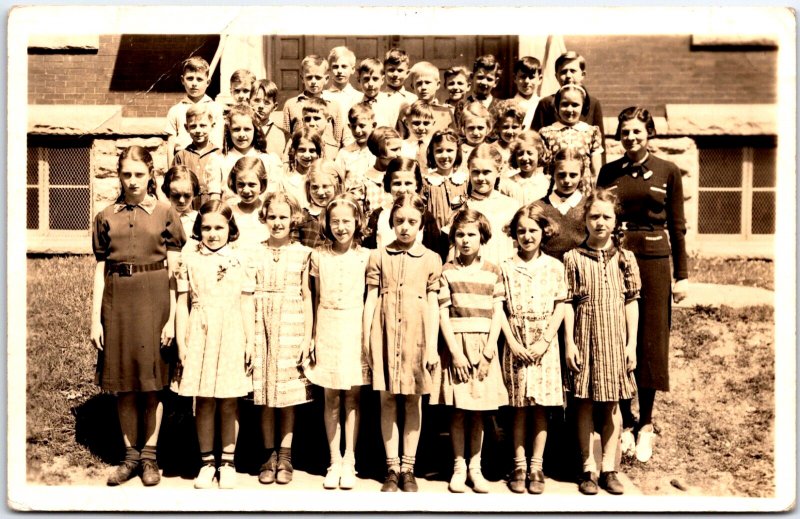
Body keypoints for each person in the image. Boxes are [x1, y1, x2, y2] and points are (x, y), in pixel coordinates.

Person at [597, 106, 689, 463]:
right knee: (619, 336)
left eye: (637, 132)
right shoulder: (609, 172)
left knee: (650, 340)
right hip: (618, 257)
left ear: (649, 133)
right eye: (625, 133)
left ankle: (646, 424)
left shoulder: (669, 170)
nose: (631, 138)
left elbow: (677, 226)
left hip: (654, 261)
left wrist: (682, 275)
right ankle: (624, 418)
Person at [91, 145, 186, 487]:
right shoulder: (105, 216)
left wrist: (173, 318)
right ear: (119, 175)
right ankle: (129, 457)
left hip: (155, 300)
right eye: (126, 174)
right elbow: (100, 270)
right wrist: (95, 319)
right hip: (118, 302)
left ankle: (150, 457)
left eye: (139, 174)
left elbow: (177, 274)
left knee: (152, 386)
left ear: (150, 175)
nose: (132, 181)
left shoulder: (165, 214)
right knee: (125, 386)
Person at [563, 188, 641, 496]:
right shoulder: (572, 258)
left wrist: (631, 343)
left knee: (611, 405)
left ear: (615, 220)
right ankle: (588, 468)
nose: (600, 222)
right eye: (594, 216)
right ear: (585, 219)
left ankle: (610, 468)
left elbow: (631, 302)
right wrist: (569, 342)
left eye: (607, 216)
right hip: (584, 336)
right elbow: (567, 302)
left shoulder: (625, 258)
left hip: (614, 340)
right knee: (583, 403)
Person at [363, 193, 442, 492]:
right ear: (391, 222)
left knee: (412, 400)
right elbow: (372, 299)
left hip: (417, 338)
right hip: (384, 333)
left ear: (421, 224)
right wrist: (367, 339)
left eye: (412, 222)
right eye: (399, 221)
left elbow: (433, 304)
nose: (405, 227)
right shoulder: (379, 256)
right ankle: (391, 467)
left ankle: (408, 467)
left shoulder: (431, 259)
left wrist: (432, 346)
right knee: (386, 399)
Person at [174, 201, 254, 489]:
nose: (212, 233)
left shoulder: (240, 258)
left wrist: (250, 341)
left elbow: (246, 302)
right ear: (198, 230)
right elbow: (182, 304)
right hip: (201, 330)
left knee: (229, 401)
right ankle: (207, 462)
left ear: (230, 229)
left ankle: (229, 462)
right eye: (206, 227)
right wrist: (182, 341)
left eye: (219, 227)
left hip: (232, 330)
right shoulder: (190, 259)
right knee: (204, 400)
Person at [431, 208, 508, 494]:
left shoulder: (493, 271)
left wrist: (489, 352)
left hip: (483, 346)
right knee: (458, 410)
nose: (465, 240)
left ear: (483, 237)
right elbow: (442, 313)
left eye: (471, 235)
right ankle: (458, 466)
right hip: (457, 346)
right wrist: (455, 352)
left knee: (479, 411)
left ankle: (476, 468)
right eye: (460, 235)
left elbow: (498, 312)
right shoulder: (447, 271)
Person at [304, 194, 371, 490]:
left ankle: (350, 460)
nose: (341, 227)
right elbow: (315, 298)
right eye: (335, 222)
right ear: (326, 223)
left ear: (357, 222)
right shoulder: (319, 255)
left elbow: (371, 299)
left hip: (355, 326)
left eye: (346, 221)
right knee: (331, 397)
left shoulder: (366, 255)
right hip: (328, 325)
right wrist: (313, 335)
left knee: (353, 397)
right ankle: (333, 459)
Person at [499, 204, 566, 494]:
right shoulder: (505, 267)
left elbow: (560, 305)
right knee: (518, 407)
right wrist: (512, 343)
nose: (527, 236)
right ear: (514, 234)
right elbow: (498, 308)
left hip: (544, 344)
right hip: (516, 341)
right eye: (521, 231)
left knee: (539, 406)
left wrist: (545, 340)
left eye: (533, 230)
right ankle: (518, 464)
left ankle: (536, 465)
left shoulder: (554, 266)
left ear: (544, 232)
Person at [252, 191, 314, 486]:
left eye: (283, 217)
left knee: (287, 396)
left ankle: (286, 455)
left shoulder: (303, 253)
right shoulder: (255, 251)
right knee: (265, 395)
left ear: (294, 219)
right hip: (259, 324)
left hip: (292, 324)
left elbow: (307, 295)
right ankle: (267, 454)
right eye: (272, 217)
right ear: (264, 218)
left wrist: (307, 337)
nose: (278, 222)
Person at [361, 157, 446, 260]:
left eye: (408, 183)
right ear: (389, 184)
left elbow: (435, 255)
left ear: (417, 184)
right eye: (397, 184)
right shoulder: (379, 215)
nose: (402, 189)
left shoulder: (426, 217)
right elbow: (369, 253)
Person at [464, 144, 521, 266]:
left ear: (499, 171)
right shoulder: (463, 205)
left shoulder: (512, 206)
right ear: (468, 170)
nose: (480, 178)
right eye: (475, 172)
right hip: (474, 272)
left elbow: (518, 245)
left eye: (486, 172)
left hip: (505, 269)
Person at [539, 84, 603, 190]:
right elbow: (541, 166)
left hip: (583, 186)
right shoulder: (546, 132)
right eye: (565, 104)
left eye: (575, 105)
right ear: (557, 106)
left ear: (583, 106)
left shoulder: (591, 132)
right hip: (554, 185)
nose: (569, 109)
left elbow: (596, 169)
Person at [530, 51, 605, 140]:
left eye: (573, 71)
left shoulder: (593, 103)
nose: (568, 75)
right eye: (563, 72)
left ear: (583, 74)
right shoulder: (546, 103)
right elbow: (534, 140)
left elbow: (600, 144)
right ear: (556, 76)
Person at [165, 56, 225, 163]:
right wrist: (170, 171)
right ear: (182, 80)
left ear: (208, 82)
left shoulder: (215, 108)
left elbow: (218, 141)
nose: (194, 83)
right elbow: (171, 145)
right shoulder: (175, 110)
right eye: (190, 78)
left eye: (199, 79)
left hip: (210, 160)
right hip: (183, 160)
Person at [538, 146, 589, 261]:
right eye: (561, 175)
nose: (567, 180)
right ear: (552, 173)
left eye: (573, 175)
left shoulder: (590, 206)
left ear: (581, 175)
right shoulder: (539, 207)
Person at [221, 104, 281, 200]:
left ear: (255, 130)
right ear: (229, 131)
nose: (241, 134)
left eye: (247, 129)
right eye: (236, 129)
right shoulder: (221, 160)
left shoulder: (268, 160)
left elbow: (273, 196)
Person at [172, 103, 224, 209]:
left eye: (203, 125)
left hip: (212, 204)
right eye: (193, 126)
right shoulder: (181, 156)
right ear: (186, 128)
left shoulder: (218, 154)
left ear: (212, 125)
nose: (198, 130)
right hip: (188, 206)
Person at [283, 55, 343, 142]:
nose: (313, 81)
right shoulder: (291, 104)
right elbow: (287, 136)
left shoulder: (333, 105)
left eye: (318, 77)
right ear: (302, 78)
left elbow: (337, 138)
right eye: (309, 77)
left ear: (326, 79)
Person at [422, 128, 468, 230]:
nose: (444, 155)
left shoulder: (464, 180)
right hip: (434, 237)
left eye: (449, 150)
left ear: (457, 151)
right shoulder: (426, 182)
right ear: (432, 153)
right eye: (439, 151)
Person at [226, 156, 271, 259]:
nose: (246, 190)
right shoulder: (230, 213)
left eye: (252, 185)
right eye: (241, 184)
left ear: (262, 185)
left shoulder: (268, 211)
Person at [294, 159, 343, 248]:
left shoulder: (346, 214)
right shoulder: (301, 216)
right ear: (308, 187)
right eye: (315, 187)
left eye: (325, 186)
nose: (320, 192)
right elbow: (294, 247)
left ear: (336, 186)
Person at [398, 61, 453, 137]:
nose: (423, 87)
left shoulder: (446, 112)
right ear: (412, 86)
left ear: (437, 85)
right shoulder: (407, 112)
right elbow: (400, 139)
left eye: (427, 82)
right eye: (419, 83)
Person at [323, 46, 362, 146]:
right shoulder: (323, 97)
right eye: (335, 67)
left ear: (353, 69)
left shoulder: (359, 97)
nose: (339, 71)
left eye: (344, 66)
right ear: (330, 70)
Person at [453, 55, 503, 132]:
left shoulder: (501, 106)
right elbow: (459, 133)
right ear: (472, 77)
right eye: (480, 77)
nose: (484, 82)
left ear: (495, 82)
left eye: (489, 79)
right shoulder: (461, 105)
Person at [335, 103, 378, 193]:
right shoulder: (344, 153)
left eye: (362, 126)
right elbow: (338, 182)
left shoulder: (380, 151)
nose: (357, 131)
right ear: (349, 127)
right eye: (353, 127)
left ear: (373, 125)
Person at [360, 126, 402, 217]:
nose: (399, 154)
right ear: (378, 151)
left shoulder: (402, 178)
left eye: (400, 149)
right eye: (394, 149)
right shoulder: (364, 181)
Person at [502, 130, 550, 206]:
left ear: (539, 154)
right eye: (520, 154)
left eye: (530, 153)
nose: (524, 158)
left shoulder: (546, 183)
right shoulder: (508, 183)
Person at [282, 128, 324, 209]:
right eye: (302, 150)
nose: (307, 155)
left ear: (318, 153)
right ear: (294, 151)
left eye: (312, 151)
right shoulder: (287, 180)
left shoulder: (323, 179)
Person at [381, 48, 417, 129]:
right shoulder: (379, 98)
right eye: (391, 70)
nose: (395, 74)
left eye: (400, 70)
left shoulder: (413, 99)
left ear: (407, 73)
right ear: (384, 72)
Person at [161, 165, 200, 239]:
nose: (182, 201)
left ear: (194, 194)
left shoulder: (199, 219)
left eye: (187, 195)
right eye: (176, 195)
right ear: (167, 194)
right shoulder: (162, 219)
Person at [250, 79, 287, 157]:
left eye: (266, 102)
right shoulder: (241, 129)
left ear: (274, 107)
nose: (261, 106)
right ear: (248, 102)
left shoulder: (282, 135)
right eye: (256, 100)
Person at [398, 101, 435, 167]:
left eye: (426, 123)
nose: (421, 128)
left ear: (433, 123)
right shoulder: (400, 146)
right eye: (416, 123)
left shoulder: (436, 146)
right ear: (406, 123)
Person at [458, 102, 494, 167]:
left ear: (488, 129)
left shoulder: (492, 150)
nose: (475, 133)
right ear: (463, 129)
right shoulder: (458, 151)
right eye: (471, 128)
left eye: (480, 128)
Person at [511, 57, 543, 130]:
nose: (527, 81)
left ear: (540, 79)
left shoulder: (543, 104)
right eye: (522, 77)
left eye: (531, 77)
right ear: (514, 78)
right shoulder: (508, 105)